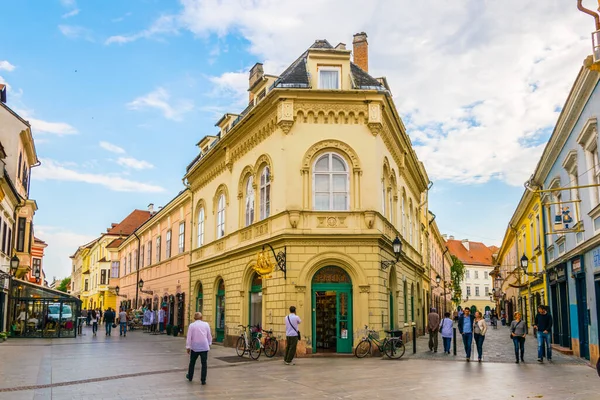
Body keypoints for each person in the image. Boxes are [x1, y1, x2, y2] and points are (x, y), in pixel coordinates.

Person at [185, 312, 212, 385]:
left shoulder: (192, 325)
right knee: (204, 364)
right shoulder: (206, 324)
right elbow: (209, 335)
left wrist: (188, 347)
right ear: (201, 318)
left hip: (195, 347)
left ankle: (190, 376)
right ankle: (203, 380)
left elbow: (189, 337)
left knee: (192, 362)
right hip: (204, 346)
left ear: (194, 318)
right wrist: (209, 343)